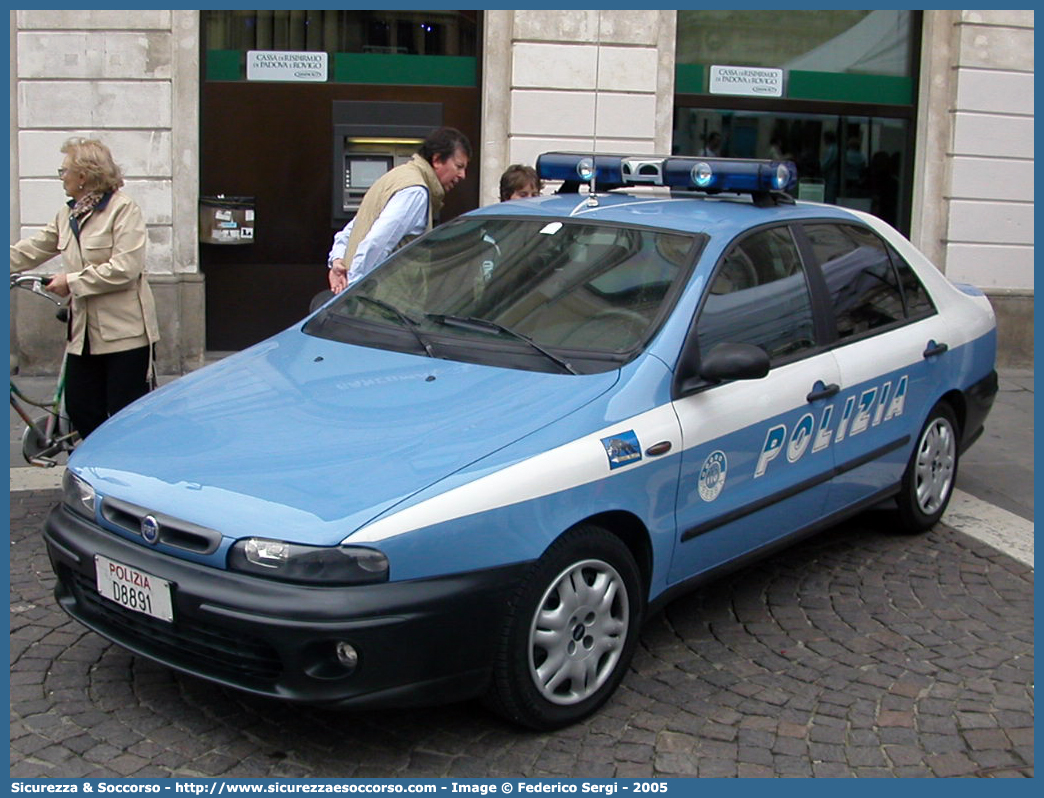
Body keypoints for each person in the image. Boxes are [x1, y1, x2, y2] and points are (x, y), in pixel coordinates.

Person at [10, 137, 159, 439]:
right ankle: (94, 473)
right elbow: (33, 249)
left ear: (84, 175)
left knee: (125, 415)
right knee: (80, 408)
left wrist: (71, 281)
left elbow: (125, 269)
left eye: (64, 170)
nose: (61, 176)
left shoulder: (123, 210)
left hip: (125, 335)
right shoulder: (69, 214)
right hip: (84, 335)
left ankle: (125, 474)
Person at [327, 127, 471, 293]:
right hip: (383, 306)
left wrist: (337, 260)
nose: (462, 175)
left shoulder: (394, 176)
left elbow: (353, 229)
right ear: (437, 159)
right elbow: (376, 242)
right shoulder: (415, 191)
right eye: (459, 166)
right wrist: (353, 290)